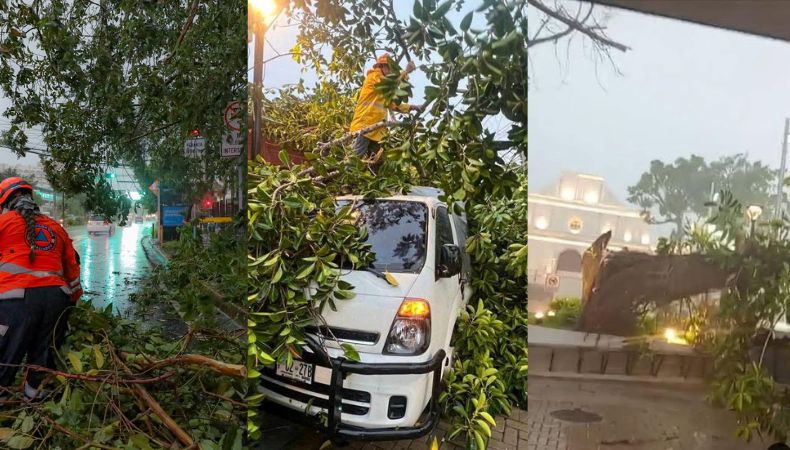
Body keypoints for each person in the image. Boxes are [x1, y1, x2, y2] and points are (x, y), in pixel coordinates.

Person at [0, 177, 82, 401]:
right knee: (42, 359)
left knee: (5, 358)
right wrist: (72, 303)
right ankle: (37, 407)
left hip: (15, 302)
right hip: (56, 300)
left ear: (5, 202)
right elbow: (73, 271)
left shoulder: (3, 223)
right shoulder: (56, 227)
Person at [349, 53, 422, 158]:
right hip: (364, 127)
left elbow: (392, 104)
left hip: (376, 131)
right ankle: (345, 173)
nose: (392, 72)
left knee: (376, 162)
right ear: (382, 66)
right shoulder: (373, 76)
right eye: (390, 68)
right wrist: (405, 72)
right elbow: (387, 86)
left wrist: (411, 107)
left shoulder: (383, 85)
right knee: (353, 159)